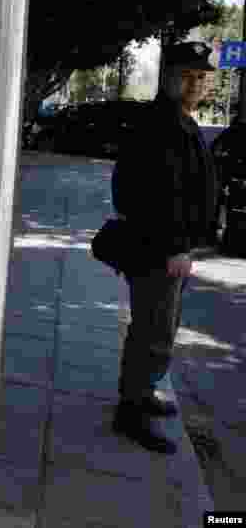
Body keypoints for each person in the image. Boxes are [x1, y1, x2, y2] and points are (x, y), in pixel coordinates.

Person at [110, 41, 218, 454]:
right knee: (153, 333)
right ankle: (130, 413)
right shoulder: (160, 124)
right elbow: (149, 195)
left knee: (160, 328)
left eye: (202, 77)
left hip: (172, 249)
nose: (196, 83)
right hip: (159, 251)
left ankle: (143, 392)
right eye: (188, 75)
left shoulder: (179, 120)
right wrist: (175, 248)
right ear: (169, 77)